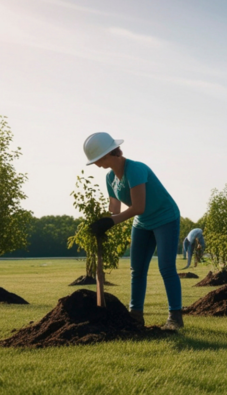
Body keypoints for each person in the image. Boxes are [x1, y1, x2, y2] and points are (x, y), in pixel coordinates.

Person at [83, 132, 183, 330]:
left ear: (107, 155)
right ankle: (135, 316)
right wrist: (100, 221)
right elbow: (115, 209)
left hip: (165, 218)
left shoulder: (135, 169)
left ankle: (175, 318)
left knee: (166, 267)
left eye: (96, 159)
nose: (95, 164)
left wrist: (110, 222)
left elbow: (139, 207)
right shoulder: (110, 177)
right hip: (143, 223)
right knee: (136, 270)